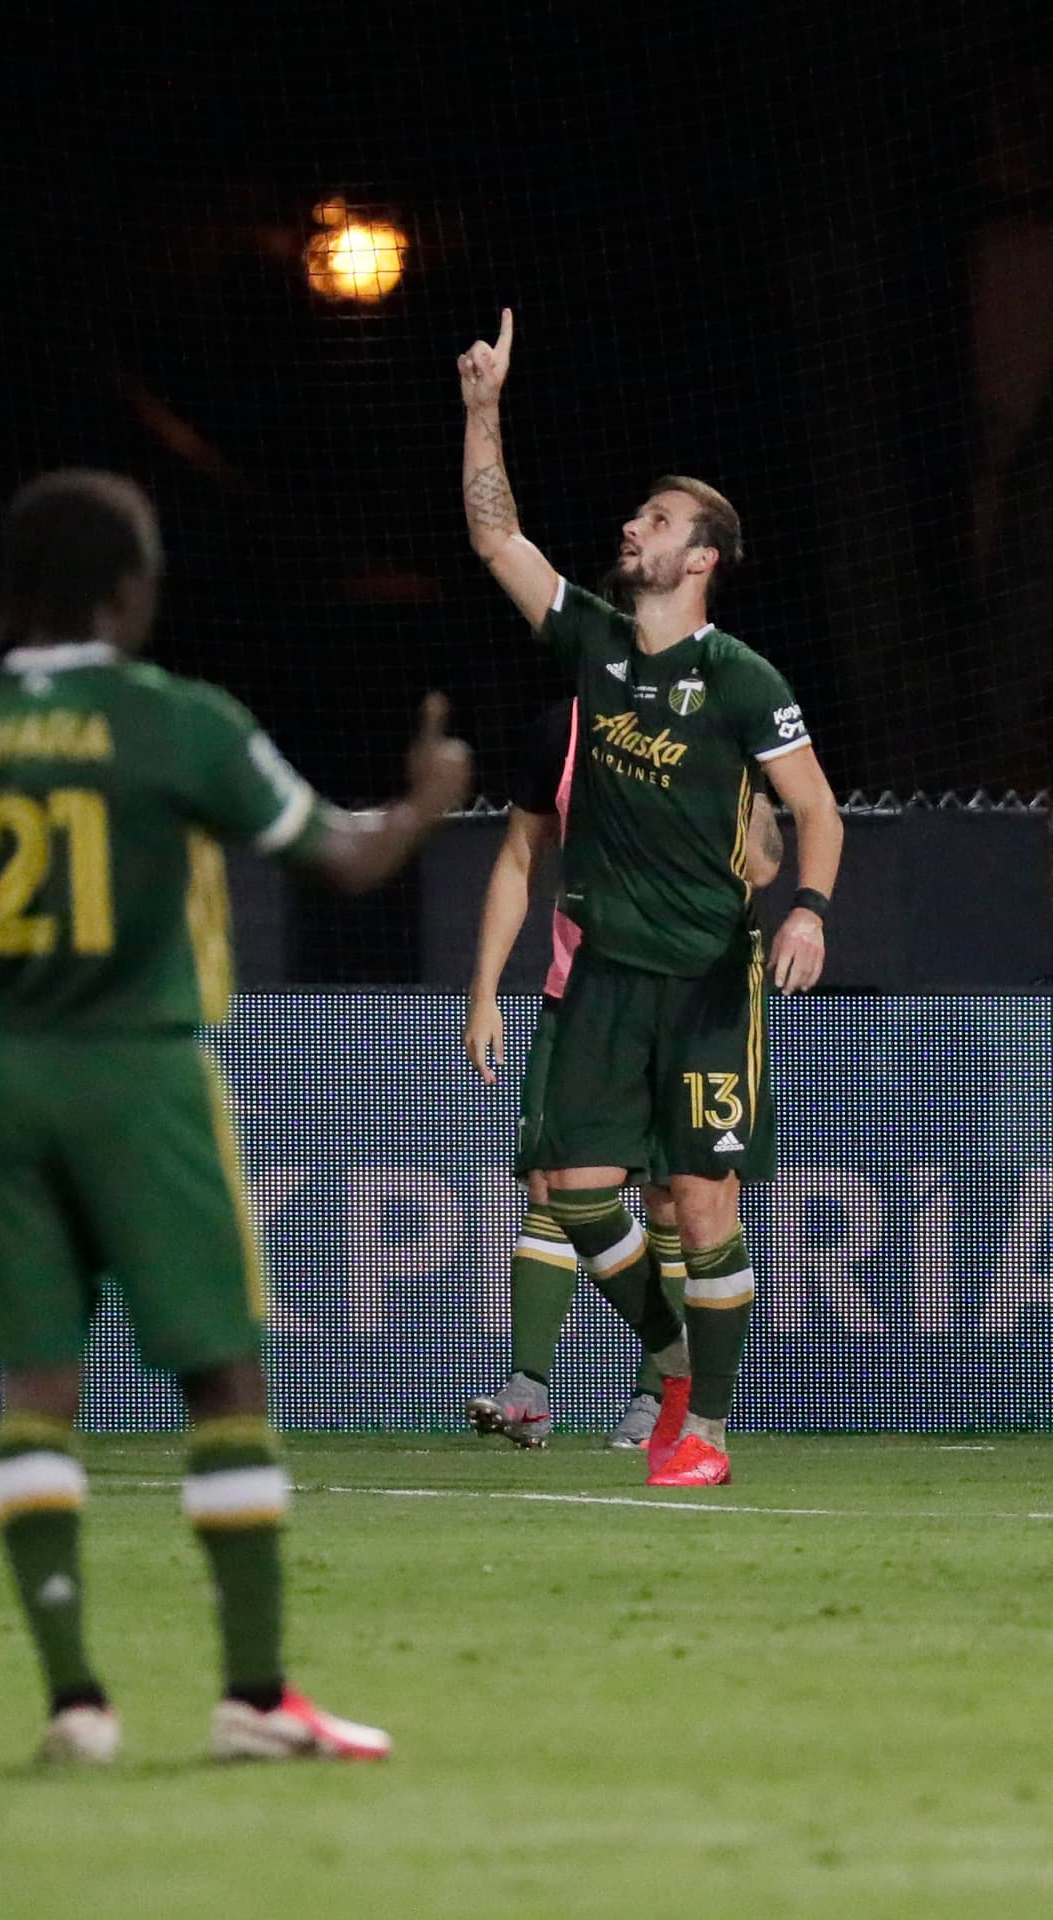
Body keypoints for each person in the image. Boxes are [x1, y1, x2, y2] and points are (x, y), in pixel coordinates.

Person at [0, 469, 472, 1763]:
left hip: (12, 1081)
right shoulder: (176, 720)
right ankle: (252, 1694)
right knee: (223, 1374)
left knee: (36, 1391)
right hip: (144, 1076)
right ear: (126, 592)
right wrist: (425, 801)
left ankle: (75, 1701)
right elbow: (340, 860)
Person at [457, 312, 843, 1487]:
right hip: (605, 975)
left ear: (703, 555)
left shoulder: (741, 679)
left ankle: (705, 1433)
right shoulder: (596, 645)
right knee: (569, 1188)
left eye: (659, 520)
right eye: (638, 516)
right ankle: (671, 1353)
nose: (635, 527)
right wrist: (482, 407)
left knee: (699, 1197)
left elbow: (815, 812)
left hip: (706, 980)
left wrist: (808, 908)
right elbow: (497, 540)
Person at [463, 698, 783, 1450]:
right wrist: (483, 993)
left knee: (674, 1203)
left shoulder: (719, 719)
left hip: (693, 1003)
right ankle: (533, 1388)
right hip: (582, 998)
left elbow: (764, 863)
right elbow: (518, 858)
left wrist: (740, 784)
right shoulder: (562, 729)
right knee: (556, 1184)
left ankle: (658, 1396)